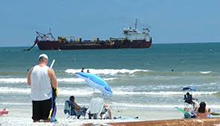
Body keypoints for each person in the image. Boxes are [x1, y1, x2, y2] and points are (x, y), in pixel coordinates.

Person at [27, 54, 57, 122]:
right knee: (46, 118)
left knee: (36, 119)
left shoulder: (31, 70)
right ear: (45, 60)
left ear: (39, 60)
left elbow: (29, 83)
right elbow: (55, 85)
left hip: (35, 97)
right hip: (46, 97)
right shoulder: (49, 70)